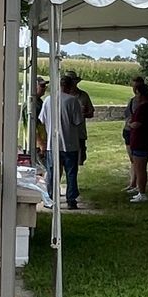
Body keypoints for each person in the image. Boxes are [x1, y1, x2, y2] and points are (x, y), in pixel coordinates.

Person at [40, 73, 87, 209]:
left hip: (52, 144)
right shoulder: (73, 101)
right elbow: (78, 121)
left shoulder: (49, 100)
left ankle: (50, 198)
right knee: (71, 173)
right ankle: (71, 199)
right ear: (70, 86)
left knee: (52, 172)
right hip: (70, 143)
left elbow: (42, 119)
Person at [124, 75, 148, 203]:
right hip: (144, 141)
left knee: (140, 168)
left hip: (141, 141)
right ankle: (139, 190)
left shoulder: (144, 108)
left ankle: (142, 192)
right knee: (139, 167)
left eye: (137, 93)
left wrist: (130, 124)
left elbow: (137, 124)